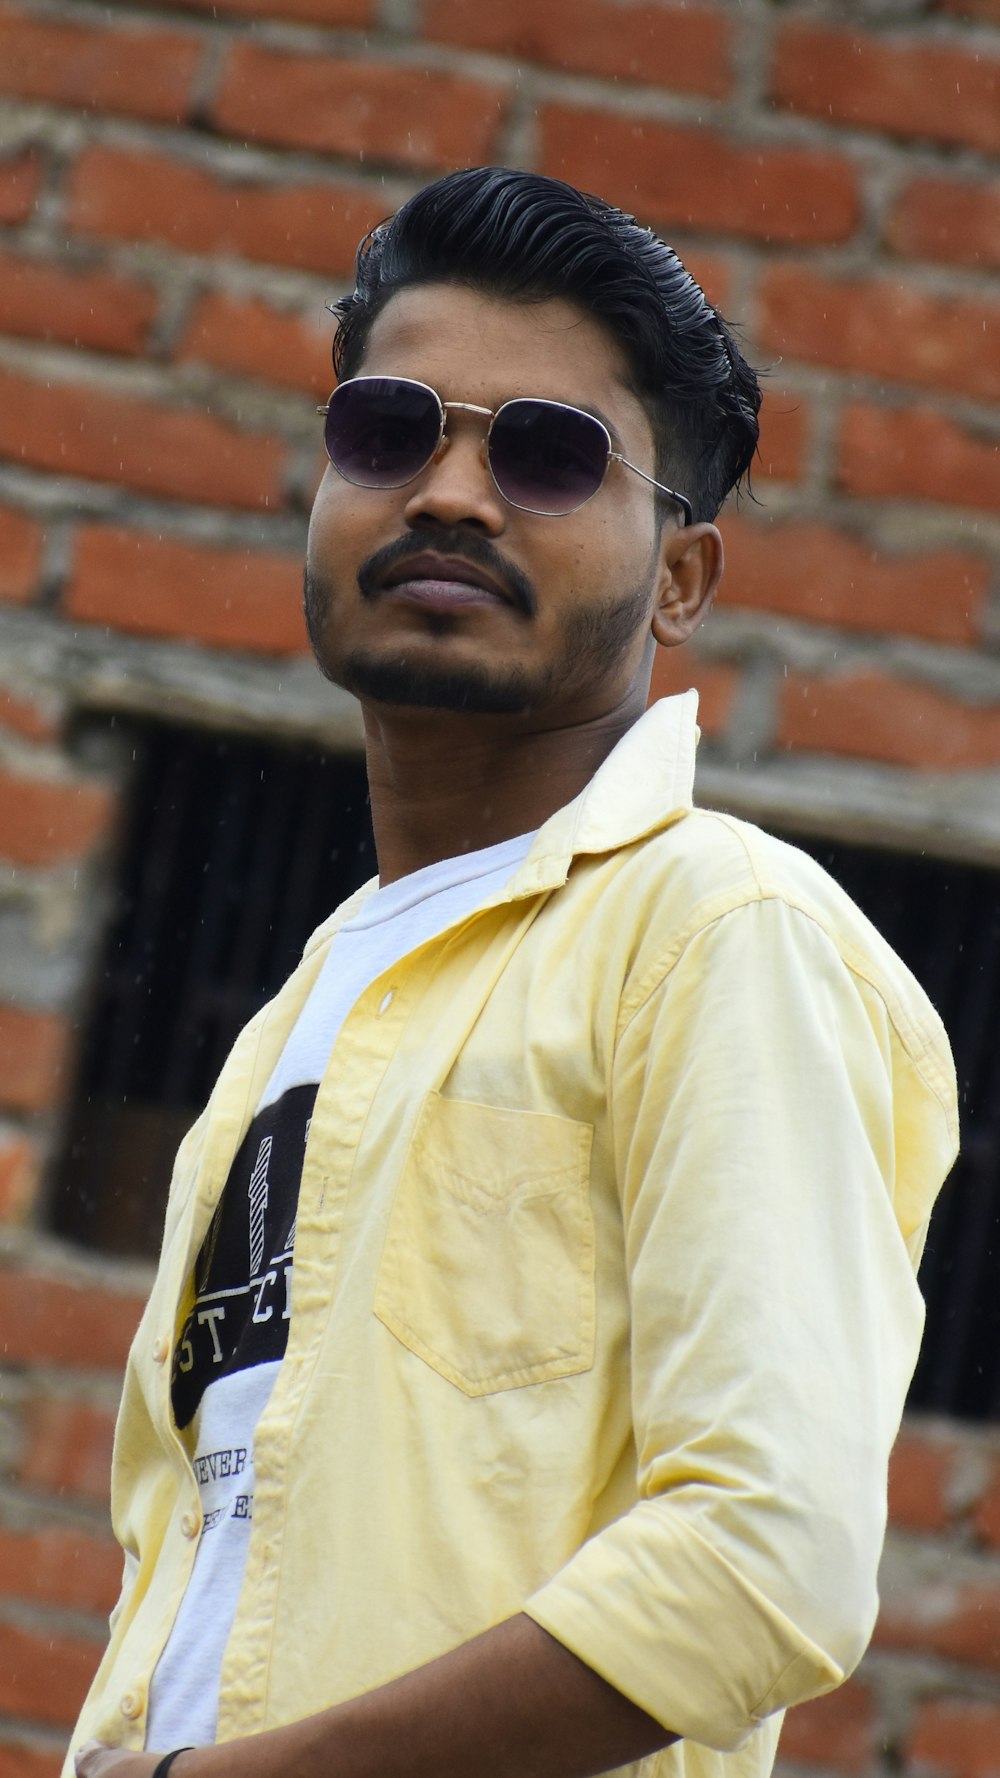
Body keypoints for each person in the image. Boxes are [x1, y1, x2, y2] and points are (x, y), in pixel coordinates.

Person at [70, 167, 957, 1778]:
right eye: (391, 429)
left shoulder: (716, 932)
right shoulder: (299, 1016)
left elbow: (766, 1556)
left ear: (681, 580)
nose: (453, 494)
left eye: (548, 454)